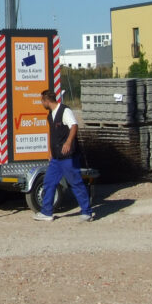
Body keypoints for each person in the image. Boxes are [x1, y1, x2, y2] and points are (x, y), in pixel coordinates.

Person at [33, 89, 95, 222]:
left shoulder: (65, 111)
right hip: (56, 158)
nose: (41, 103)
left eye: (41, 101)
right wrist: (50, 150)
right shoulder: (50, 115)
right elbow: (52, 134)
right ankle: (46, 212)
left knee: (76, 183)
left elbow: (74, 126)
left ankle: (87, 212)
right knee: (49, 182)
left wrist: (68, 142)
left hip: (68, 157)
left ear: (46, 100)